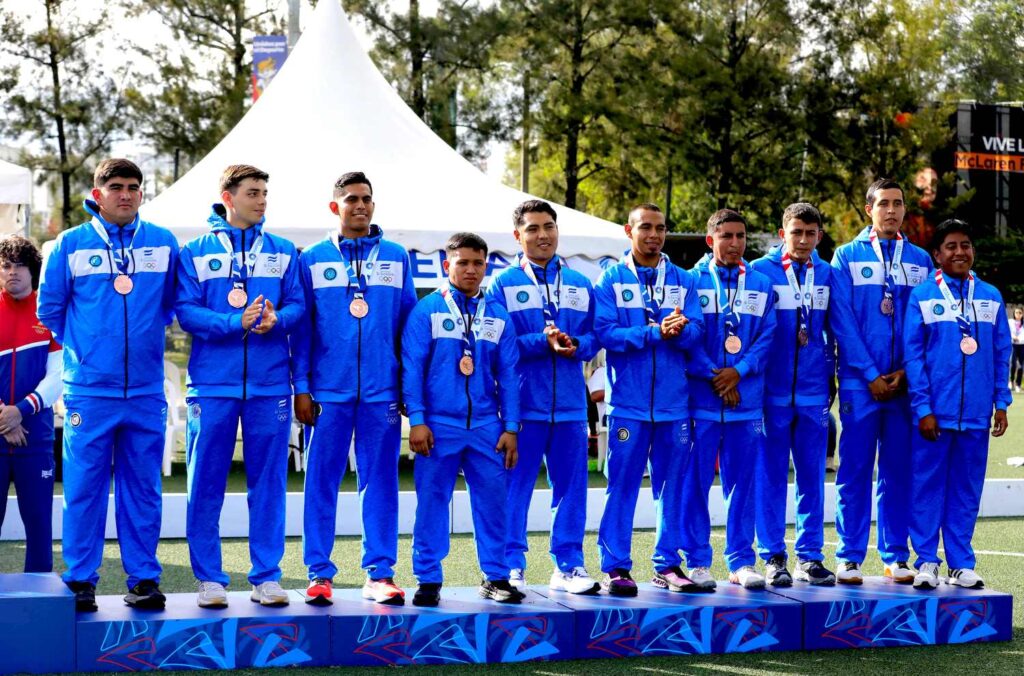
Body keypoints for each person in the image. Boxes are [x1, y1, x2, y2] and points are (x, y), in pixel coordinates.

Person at [39, 158, 178, 611]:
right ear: (97, 194)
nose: (126, 194)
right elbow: (50, 309)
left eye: (134, 187)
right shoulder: (70, 244)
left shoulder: (163, 242)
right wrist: (89, 351)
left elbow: (170, 305)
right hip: (89, 391)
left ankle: (144, 580)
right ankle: (81, 579)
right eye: (116, 186)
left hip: (145, 390)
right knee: (84, 489)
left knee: (143, 489)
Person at [176, 165, 304, 608]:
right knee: (205, 483)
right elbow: (185, 312)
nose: (262, 200)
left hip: (270, 385)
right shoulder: (194, 252)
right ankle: (209, 579)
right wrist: (236, 322)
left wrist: (277, 319)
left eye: (265, 192)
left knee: (268, 484)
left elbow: (299, 305)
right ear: (228, 198)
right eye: (253, 192)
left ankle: (266, 577)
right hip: (212, 384)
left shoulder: (283, 251)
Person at [293, 172, 416, 605]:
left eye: (366, 199)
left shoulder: (397, 257)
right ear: (335, 207)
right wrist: (302, 386)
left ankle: (380, 573)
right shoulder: (311, 259)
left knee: (380, 482)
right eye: (351, 199)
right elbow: (302, 329)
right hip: (328, 392)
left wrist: (407, 387)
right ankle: (319, 574)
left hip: (382, 392)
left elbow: (409, 329)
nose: (360, 205)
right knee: (320, 482)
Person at [486, 200, 600, 595]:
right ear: (517, 236)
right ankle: (509, 566)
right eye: (533, 228)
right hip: (521, 408)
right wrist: (542, 341)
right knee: (514, 490)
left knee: (571, 490)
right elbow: (497, 343)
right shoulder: (502, 284)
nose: (543, 235)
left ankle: (568, 565)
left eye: (549, 226)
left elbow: (595, 337)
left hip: (570, 407)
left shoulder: (580, 283)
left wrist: (577, 344)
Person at [402, 232, 522, 606]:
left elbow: (510, 374)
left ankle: (496, 576)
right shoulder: (427, 310)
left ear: (486, 266)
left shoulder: (497, 314)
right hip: (439, 425)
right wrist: (417, 419)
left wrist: (511, 427)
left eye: (478, 263)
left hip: (487, 426)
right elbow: (412, 368)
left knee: (493, 504)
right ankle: (428, 578)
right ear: (447, 265)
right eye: (463, 262)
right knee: (432, 502)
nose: (471, 270)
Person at [593, 203, 704, 596]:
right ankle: (616, 567)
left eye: (660, 228)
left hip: (675, 405)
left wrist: (682, 329)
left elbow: (698, 332)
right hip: (628, 404)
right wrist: (655, 332)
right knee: (621, 487)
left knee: (672, 488)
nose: (654, 235)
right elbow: (606, 334)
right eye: (645, 227)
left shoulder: (684, 279)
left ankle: (667, 565)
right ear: (629, 231)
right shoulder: (610, 279)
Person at [829, 178, 933, 584]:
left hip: (905, 384)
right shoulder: (846, 256)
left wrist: (907, 371)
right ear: (868, 209)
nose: (892, 210)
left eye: (898, 203)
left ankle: (895, 556)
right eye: (884, 203)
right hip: (861, 384)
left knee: (897, 472)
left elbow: (926, 321)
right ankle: (849, 556)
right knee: (854, 471)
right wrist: (870, 373)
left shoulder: (921, 260)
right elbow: (842, 320)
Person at [904, 219, 1011, 590]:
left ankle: (961, 563)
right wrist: (923, 409)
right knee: (926, 489)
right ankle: (926, 561)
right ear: (937, 255)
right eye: (950, 246)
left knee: (966, 491)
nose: (960, 252)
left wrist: (1001, 402)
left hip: (977, 415)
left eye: (965, 245)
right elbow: (914, 358)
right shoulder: (922, 296)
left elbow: (1001, 352)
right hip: (934, 415)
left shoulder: (991, 296)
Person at [684, 208, 776, 590]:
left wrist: (739, 371)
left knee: (743, 485)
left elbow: (768, 335)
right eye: (726, 236)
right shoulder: (690, 281)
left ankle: (741, 561)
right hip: (702, 402)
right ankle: (697, 562)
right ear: (711, 240)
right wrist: (716, 375)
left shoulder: (761, 283)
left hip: (745, 402)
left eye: (740, 236)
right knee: (695, 483)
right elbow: (687, 338)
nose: (735, 243)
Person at [750, 203, 836, 586]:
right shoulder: (760, 272)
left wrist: (832, 376)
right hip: (771, 393)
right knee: (770, 476)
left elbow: (837, 329)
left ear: (819, 236)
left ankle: (810, 556)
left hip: (814, 392)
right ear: (782, 233)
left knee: (812, 477)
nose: (803, 240)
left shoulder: (828, 274)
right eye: (796, 232)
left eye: (810, 233)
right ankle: (772, 556)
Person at [0, 236, 62, 573]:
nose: (12, 272)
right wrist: (4, 418)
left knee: (39, 526)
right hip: (2, 433)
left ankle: (40, 597)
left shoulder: (49, 314)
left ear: (33, 271)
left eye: (20, 266)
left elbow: (58, 376)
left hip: (34, 438)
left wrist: (20, 411)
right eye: (6, 266)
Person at [1010, 307, 1023, 393]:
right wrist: (1013, 337)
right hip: (1013, 345)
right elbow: (1007, 331)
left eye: (1020, 313)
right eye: (1016, 312)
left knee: (1021, 365)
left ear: (1022, 314)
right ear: (1014, 313)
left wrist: (1019, 338)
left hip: (1022, 345)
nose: (1018, 314)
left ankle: (1018, 384)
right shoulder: (1010, 322)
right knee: (1013, 364)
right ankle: (1011, 382)